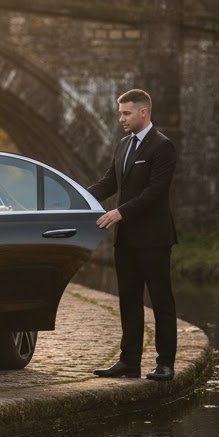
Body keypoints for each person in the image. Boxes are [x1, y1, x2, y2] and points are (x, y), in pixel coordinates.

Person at [88, 88, 178, 381]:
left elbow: (155, 192)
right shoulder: (123, 145)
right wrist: (77, 197)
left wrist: (120, 212)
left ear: (143, 112)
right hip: (125, 239)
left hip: (154, 239)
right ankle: (129, 362)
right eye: (120, 113)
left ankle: (165, 363)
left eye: (126, 113)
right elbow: (108, 183)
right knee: (128, 300)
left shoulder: (163, 146)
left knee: (161, 302)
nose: (121, 119)